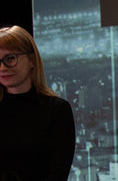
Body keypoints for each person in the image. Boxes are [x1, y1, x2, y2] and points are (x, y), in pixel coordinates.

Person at [0, 25, 76, 180]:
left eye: (10, 58)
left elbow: (58, 174)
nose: (2, 67)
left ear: (32, 61)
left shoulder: (57, 111)